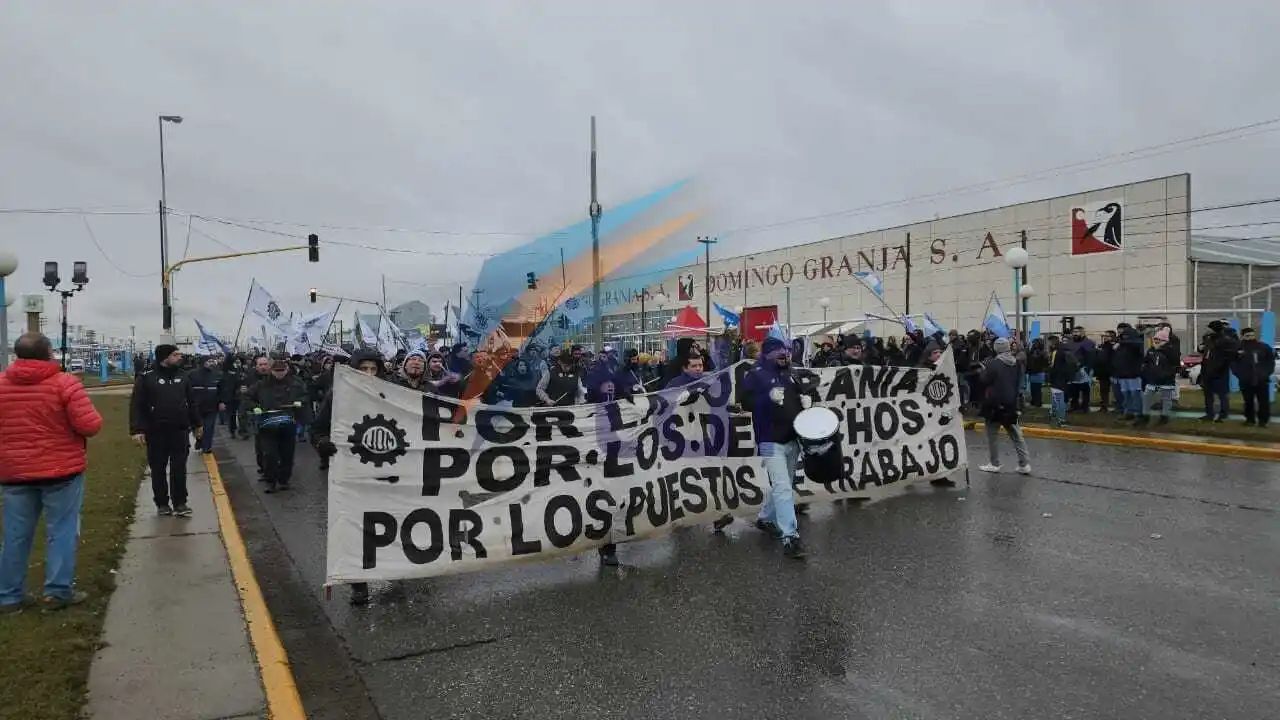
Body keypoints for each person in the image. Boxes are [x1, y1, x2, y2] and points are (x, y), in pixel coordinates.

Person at [0, 333, 104, 613]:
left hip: (14, 472)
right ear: (47, 353)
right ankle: (57, 592)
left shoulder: (1, 385)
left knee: (15, 534)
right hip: (61, 471)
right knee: (62, 530)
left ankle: (9, 596)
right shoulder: (64, 383)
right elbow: (90, 425)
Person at [739, 337, 816, 559]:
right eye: (781, 355)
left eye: (788, 354)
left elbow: (803, 393)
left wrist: (806, 400)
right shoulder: (755, 374)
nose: (786, 358)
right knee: (783, 487)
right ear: (768, 354)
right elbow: (744, 403)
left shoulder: (790, 373)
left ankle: (765, 518)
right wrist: (766, 398)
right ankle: (790, 537)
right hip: (769, 440)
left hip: (792, 438)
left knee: (784, 484)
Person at [130, 343, 202, 517]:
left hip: (179, 430)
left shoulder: (183, 376)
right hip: (156, 432)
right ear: (165, 357)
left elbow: (191, 403)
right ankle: (162, 503)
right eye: (176, 355)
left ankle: (180, 502)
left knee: (179, 468)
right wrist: (137, 429)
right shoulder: (146, 377)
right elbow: (136, 405)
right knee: (158, 469)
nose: (180, 357)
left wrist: (197, 424)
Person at [247, 358, 310, 493]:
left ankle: (284, 480)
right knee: (270, 455)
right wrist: (254, 407)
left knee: (287, 454)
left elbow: (306, 396)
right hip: (267, 425)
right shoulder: (261, 385)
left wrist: (300, 402)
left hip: (288, 424)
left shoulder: (296, 384)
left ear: (287, 370)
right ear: (272, 371)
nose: (280, 373)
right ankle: (271, 481)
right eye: (277, 371)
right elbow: (247, 397)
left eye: (282, 371)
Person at [977, 337, 1030, 475]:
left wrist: (982, 371)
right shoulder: (1017, 363)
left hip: (994, 404)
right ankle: (1024, 464)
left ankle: (995, 463)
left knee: (992, 435)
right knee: (1016, 434)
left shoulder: (993, 364)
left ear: (996, 349)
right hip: (1011, 404)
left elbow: (984, 381)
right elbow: (1019, 383)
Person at [1135, 327, 1180, 426]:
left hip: (1166, 380)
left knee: (1166, 399)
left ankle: (1164, 417)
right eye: (1155, 339)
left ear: (1164, 340)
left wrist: (1167, 374)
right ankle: (1145, 416)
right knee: (1146, 397)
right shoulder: (1152, 350)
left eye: (1158, 339)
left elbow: (1175, 365)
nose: (1155, 341)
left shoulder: (1170, 351)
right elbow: (1146, 362)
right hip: (1152, 380)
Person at [1233, 327, 1275, 428]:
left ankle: (1263, 421)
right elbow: (1233, 363)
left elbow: (1270, 361)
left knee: (1263, 402)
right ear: (1242, 336)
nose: (1250, 338)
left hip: (1261, 379)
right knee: (1248, 401)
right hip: (1246, 380)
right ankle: (1250, 420)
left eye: (1252, 335)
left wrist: (1266, 373)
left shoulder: (1263, 347)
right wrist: (1240, 375)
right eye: (1247, 336)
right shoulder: (1238, 348)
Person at [1199, 320, 1238, 422]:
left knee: (1222, 394)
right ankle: (1209, 414)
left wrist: (1220, 366)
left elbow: (1231, 354)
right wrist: (1201, 348)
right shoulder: (1209, 338)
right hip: (1207, 369)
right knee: (1208, 394)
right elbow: (1205, 351)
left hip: (1219, 371)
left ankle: (1223, 415)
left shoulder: (1225, 340)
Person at [188, 355, 228, 455]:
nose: (212, 363)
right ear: (203, 362)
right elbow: (187, 390)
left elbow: (222, 390)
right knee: (197, 427)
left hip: (212, 407)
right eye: (209, 361)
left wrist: (222, 402)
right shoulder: (192, 374)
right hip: (196, 407)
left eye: (213, 361)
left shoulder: (217, 375)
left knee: (209, 428)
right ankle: (199, 440)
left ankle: (207, 447)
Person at [1112, 323, 1145, 420]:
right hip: (1122, 374)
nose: (1120, 333)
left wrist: (1121, 343)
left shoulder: (1135, 342)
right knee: (1126, 395)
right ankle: (1128, 412)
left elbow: (1136, 345)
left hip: (1133, 374)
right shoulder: (1120, 345)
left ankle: (1138, 413)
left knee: (1135, 394)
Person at [1046, 336, 1078, 428]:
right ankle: (1055, 415)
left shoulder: (1061, 352)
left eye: (1049, 342)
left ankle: (1061, 419)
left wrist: (1068, 378)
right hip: (1057, 379)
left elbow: (1070, 366)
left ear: (1053, 342)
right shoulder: (1057, 351)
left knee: (1059, 400)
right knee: (1056, 399)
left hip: (1059, 379)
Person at [1094, 330, 1117, 412]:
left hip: (1112, 372)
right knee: (1103, 390)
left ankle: (1119, 407)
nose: (1105, 337)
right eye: (1104, 336)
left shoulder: (1114, 347)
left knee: (1116, 390)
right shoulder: (1102, 346)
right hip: (1102, 372)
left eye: (1107, 336)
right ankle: (1104, 406)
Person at [1025, 338, 1048, 407]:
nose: (1034, 344)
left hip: (1038, 372)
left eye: (1035, 343)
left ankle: (1038, 402)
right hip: (1033, 372)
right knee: (1033, 388)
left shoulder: (1042, 352)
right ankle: (1034, 400)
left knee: (1037, 388)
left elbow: (1040, 360)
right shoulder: (1032, 351)